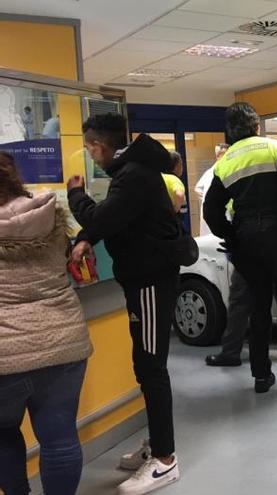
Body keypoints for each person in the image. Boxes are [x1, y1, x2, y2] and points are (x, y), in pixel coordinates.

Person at [66, 113, 181, 494]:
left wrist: (75, 195)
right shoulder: (134, 170)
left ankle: (165, 460)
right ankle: (158, 445)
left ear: (99, 146)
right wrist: (86, 236)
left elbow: (103, 217)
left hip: (150, 281)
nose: (90, 154)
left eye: (89, 148)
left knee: (151, 367)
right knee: (146, 364)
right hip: (145, 279)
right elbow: (111, 220)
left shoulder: (132, 175)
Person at [204, 102, 277, 396]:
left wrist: (232, 236)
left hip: (247, 242)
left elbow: (211, 211)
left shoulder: (224, 163)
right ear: (257, 125)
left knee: (258, 309)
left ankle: (261, 377)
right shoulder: (275, 148)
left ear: (230, 132)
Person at [0, 152, 93, 495]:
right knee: (60, 437)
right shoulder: (48, 217)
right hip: (62, 344)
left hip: (6, 353)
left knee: (3, 434)